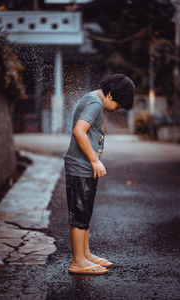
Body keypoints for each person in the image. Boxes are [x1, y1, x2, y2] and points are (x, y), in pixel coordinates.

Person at [64, 74, 135, 275]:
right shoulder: (95, 103)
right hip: (81, 167)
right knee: (79, 214)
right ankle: (77, 261)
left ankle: (85, 254)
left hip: (84, 168)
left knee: (84, 213)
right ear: (110, 95)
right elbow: (79, 131)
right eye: (118, 105)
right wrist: (95, 160)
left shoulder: (95, 100)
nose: (117, 109)